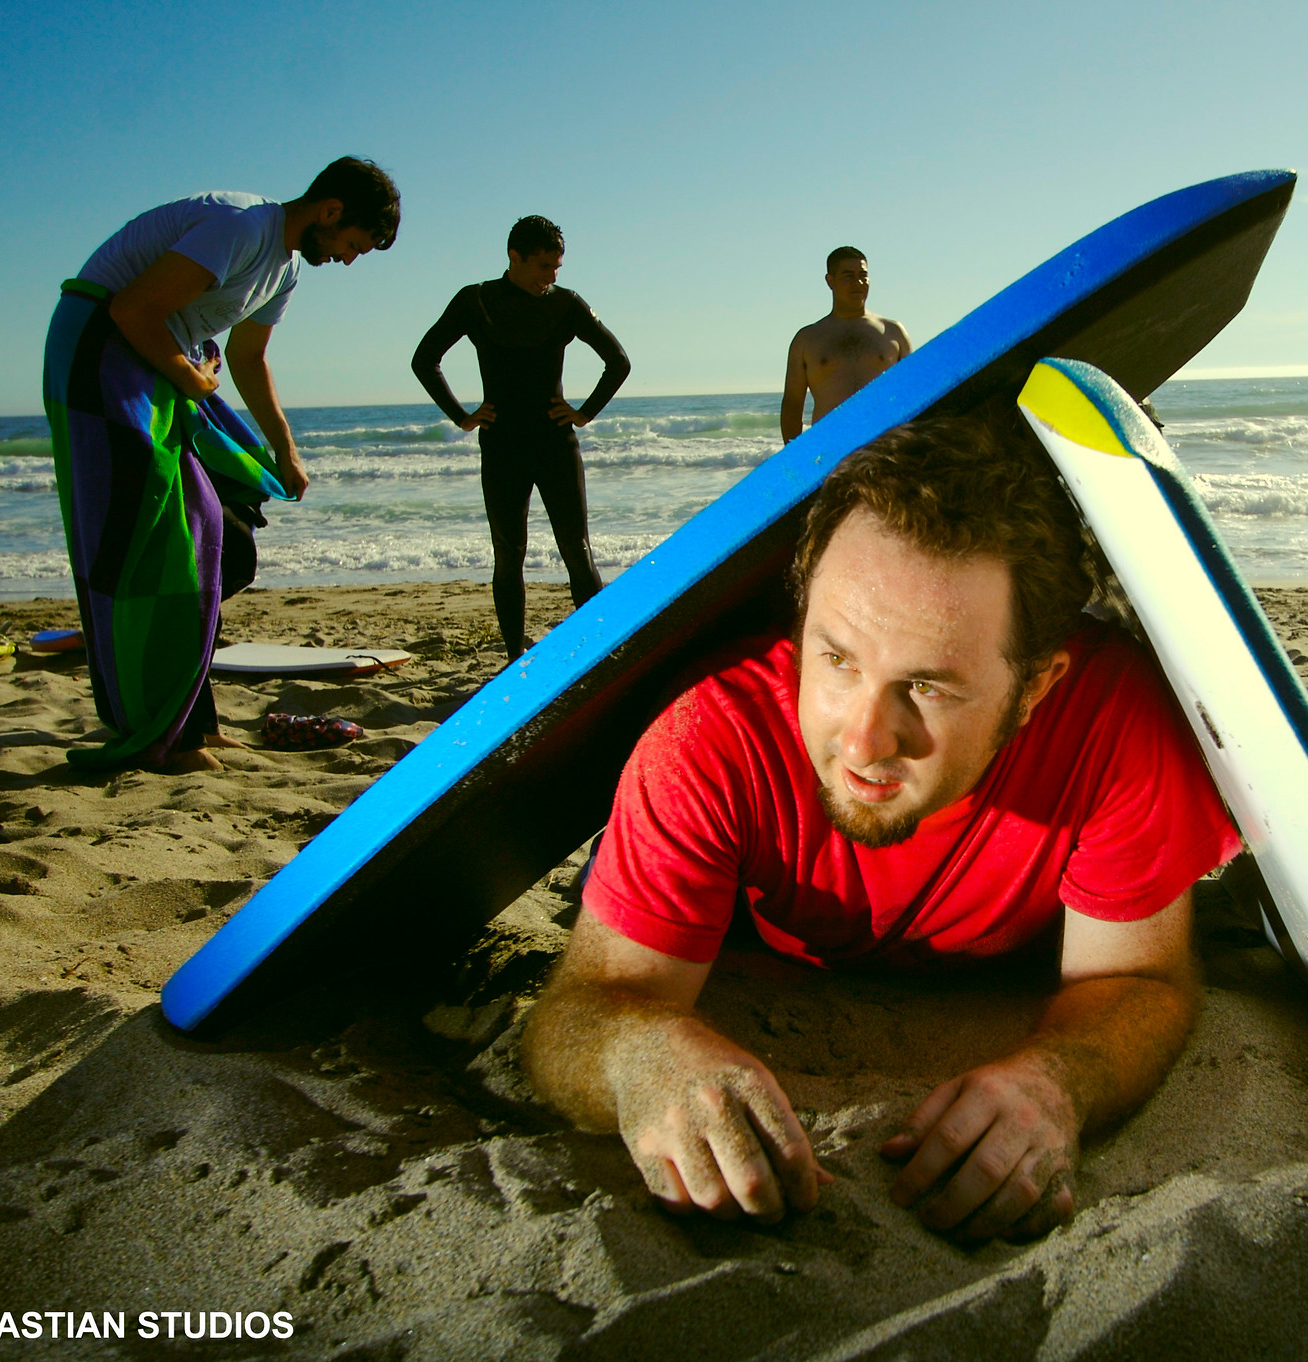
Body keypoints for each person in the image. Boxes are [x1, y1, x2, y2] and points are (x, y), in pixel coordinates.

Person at [521, 415, 1243, 1241]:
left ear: (1037, 686)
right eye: (835, 660)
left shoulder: (1116, 728)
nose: (863, 741)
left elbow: (1143, 980)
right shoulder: (712, 738)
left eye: (928, 688)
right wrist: (640, 1058)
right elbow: (585, 1006)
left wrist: (1057, 1082)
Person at [43, 157, 400, 773]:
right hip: (102, 355)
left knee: (223, 541)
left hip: (163, 369)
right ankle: (163, 734)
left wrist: (283, 447)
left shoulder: (284, 268)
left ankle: (192, 724)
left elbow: (249, 357)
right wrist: (193, 383)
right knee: (148, 546)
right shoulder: (241, 227)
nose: (349, 258)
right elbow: (131, 310)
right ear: (331, 211)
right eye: (353, 245)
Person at [413, 216, 630, 659]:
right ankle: (514, 655)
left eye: (557, 267)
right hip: (501, 445)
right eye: (544, 265)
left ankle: (598, 653)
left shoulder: (566, 304)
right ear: (515, 256)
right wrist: (461, 416)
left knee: (577, 548)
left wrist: (584, 413)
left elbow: (618, 360)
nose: (551, 276)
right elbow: (425, 359)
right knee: (508, 554)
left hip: (555, 444)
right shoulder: (475, 300)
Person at [779, 247, 913, 442]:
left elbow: (912, 392)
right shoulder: (807, 339)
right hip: (829, 449)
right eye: (848, 276)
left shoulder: (893, 332)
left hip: (884, 447)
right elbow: (792, 403)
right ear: (830, 281)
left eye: (863, 275)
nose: (858, 283)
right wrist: (792, 459)